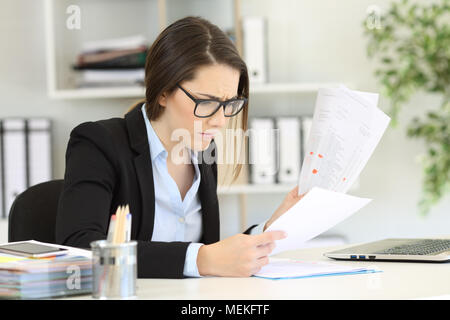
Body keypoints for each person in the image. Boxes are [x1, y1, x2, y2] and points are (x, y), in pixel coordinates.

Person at [55, 16, 304, 278]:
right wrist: (200, 259)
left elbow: (211, 256)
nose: (219, 121)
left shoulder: (204, 153)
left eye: (230, 103)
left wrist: (267, 233)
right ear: (163, 91)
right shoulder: (99, 142)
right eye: (206, 101)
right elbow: (79, 247)